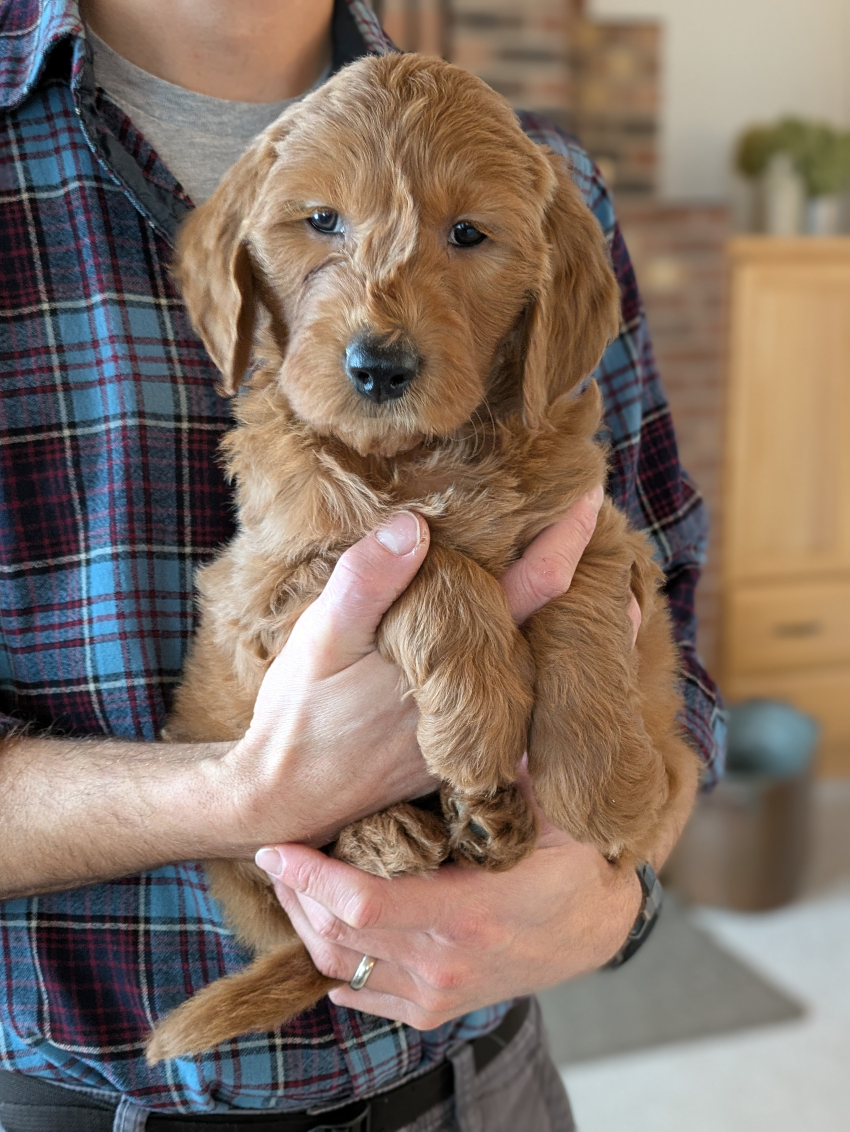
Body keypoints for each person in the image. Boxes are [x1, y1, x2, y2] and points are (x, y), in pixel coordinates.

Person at [0, 0, 725, 1128]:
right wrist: (242, 797)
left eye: (464, 240)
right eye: (321, 227)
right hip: (70, 1100)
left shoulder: (549, 175)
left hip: (483, 1088)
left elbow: (670, 596)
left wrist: (609, 893)